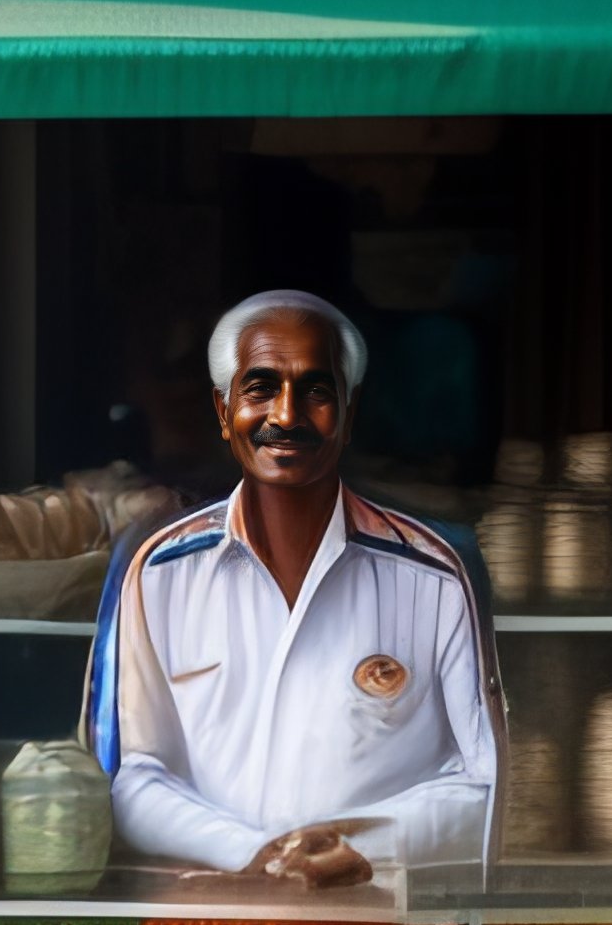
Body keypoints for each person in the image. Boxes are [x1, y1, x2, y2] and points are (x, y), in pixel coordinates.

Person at [82, 290, 503, 888]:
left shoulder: (433, 574)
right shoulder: (159, 573)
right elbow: (133, 776)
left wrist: (363, 850)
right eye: (260, 388)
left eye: (316, 390)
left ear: (350, 414)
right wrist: (254, 852)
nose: (286, 414)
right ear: (224, 412)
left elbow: (482, 785)